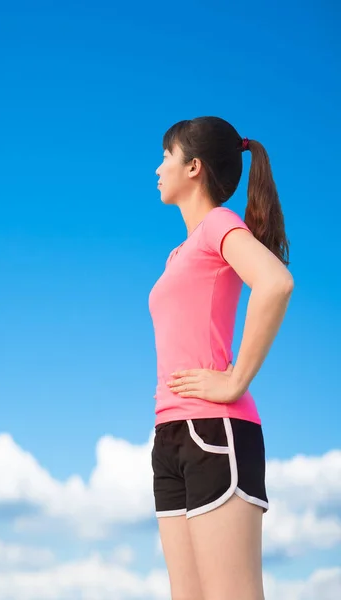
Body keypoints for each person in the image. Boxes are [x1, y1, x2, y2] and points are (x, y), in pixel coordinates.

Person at [148, 116, 294, 600]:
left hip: (215, 430)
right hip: (170, 436)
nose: (157, 168)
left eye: (166, 156)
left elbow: (274, 283)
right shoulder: (178, 254)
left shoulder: (218, 223)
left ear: (193, 167)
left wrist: (233, 382)